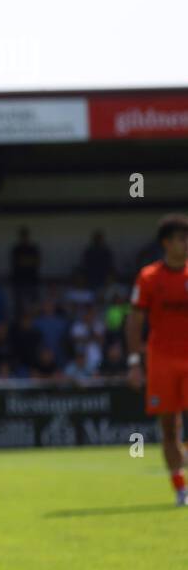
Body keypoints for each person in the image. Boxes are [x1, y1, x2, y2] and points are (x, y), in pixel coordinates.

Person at [126, 213, 188, 506]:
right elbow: (135, 321)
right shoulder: (148, 277)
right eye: (181, 238)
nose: (186, 244)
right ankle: (180, 489)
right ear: (166, 243)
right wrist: (134, 362)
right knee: (169, 426)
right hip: (162, 360)